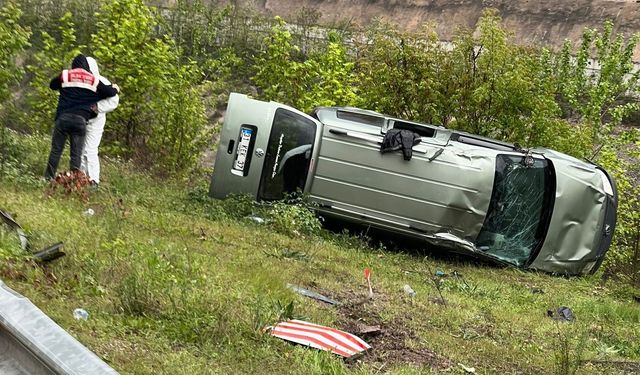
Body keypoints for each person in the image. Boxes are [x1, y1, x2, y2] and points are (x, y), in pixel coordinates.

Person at [44, 54, 119, 181]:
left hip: (64, 118)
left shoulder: (66, 75)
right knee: (77, 154)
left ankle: (48, 178)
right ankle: (76, 181)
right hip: (81, 120)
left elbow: (52, 85)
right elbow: (110, 94)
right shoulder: (94, 81)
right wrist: (115, 88)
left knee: (57, 150)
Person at [80, 57, 119, 185]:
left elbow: (114, 100)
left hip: (95, 122)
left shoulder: (102, 82)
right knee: (79, 150)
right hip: (80, 119)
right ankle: (81, 178)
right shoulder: (78, 81)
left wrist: (97, 107)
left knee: (90, 150)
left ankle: (93, 180)